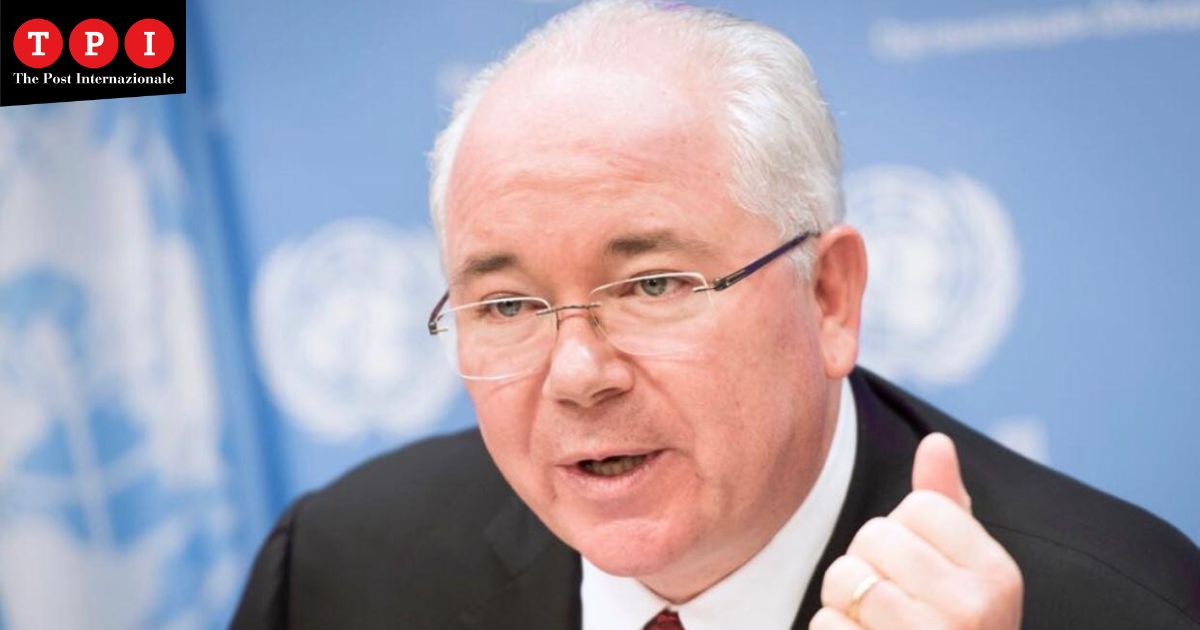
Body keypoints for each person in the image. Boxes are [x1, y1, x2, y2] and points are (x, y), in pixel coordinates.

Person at [231, 1, 1200, 628]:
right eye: (510, 303)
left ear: (829, 295)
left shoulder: (1124, 608)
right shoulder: (340, 570)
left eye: (652, 285)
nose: (579, 374)